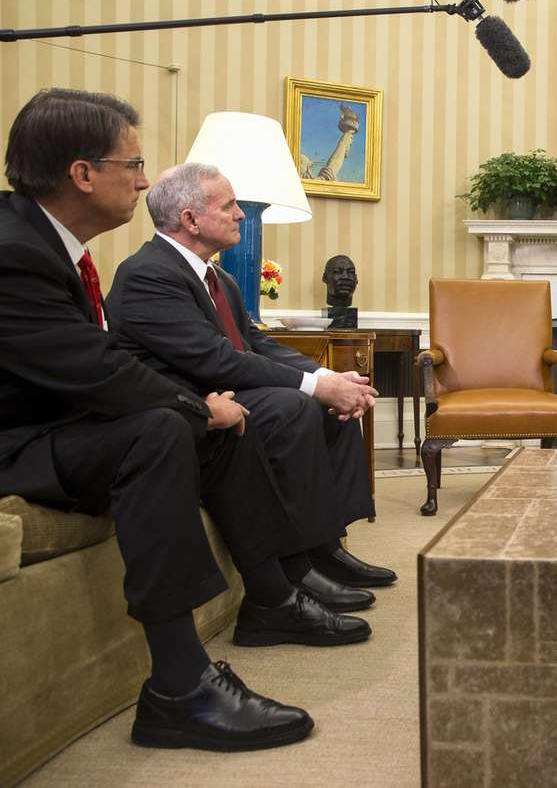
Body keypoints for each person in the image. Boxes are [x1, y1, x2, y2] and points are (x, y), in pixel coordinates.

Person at [0, 88, 368, 752]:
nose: (144, 182)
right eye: (133, 164)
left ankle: (270, 596)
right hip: (18, 444)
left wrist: (211, 412)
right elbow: (99, 372)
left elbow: (106, 361)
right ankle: (179, 685)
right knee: (165, 428)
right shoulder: (13, 250)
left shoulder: (51, 244)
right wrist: (198, 406)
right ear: (83, 173)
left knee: (222, 424)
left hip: (59, 424)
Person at [106, 163, 396, 613]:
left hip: (229, 388)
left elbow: (256, 343)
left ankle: (325, 547)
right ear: (190, 219)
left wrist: (327, 379)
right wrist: (312, 387)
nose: (241, 214)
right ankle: (298, 565)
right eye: (229, 206)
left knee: (328, 404)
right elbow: (214, 359)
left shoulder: (218, 277)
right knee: (293, 406)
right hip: (194, 403)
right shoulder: (148, 273)